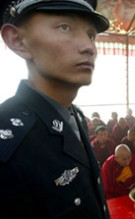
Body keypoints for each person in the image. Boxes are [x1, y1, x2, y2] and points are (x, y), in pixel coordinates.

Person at [0, 0, 110, 218]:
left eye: (91, 35)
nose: (89, 47)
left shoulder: (74, 115)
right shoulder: (7, 141)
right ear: (18, 40)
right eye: (65, 27)